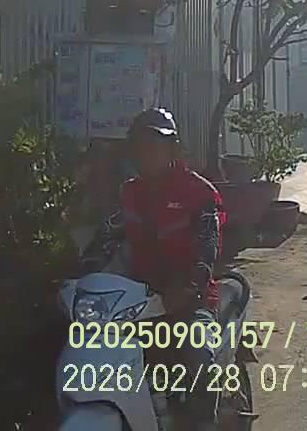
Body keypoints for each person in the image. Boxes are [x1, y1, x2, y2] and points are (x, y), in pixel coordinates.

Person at [80, 108, 226, 429]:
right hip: (138, 302)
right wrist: (79, 273)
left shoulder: (199, 193)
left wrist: (189, 287)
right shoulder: (130, 193)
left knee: (199, 355)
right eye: (140, 146)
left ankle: (204, 424)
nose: (147, 154)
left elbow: (208, 248)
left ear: (172, 149)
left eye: (155, 146)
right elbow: (105, 238)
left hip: (189, 301)